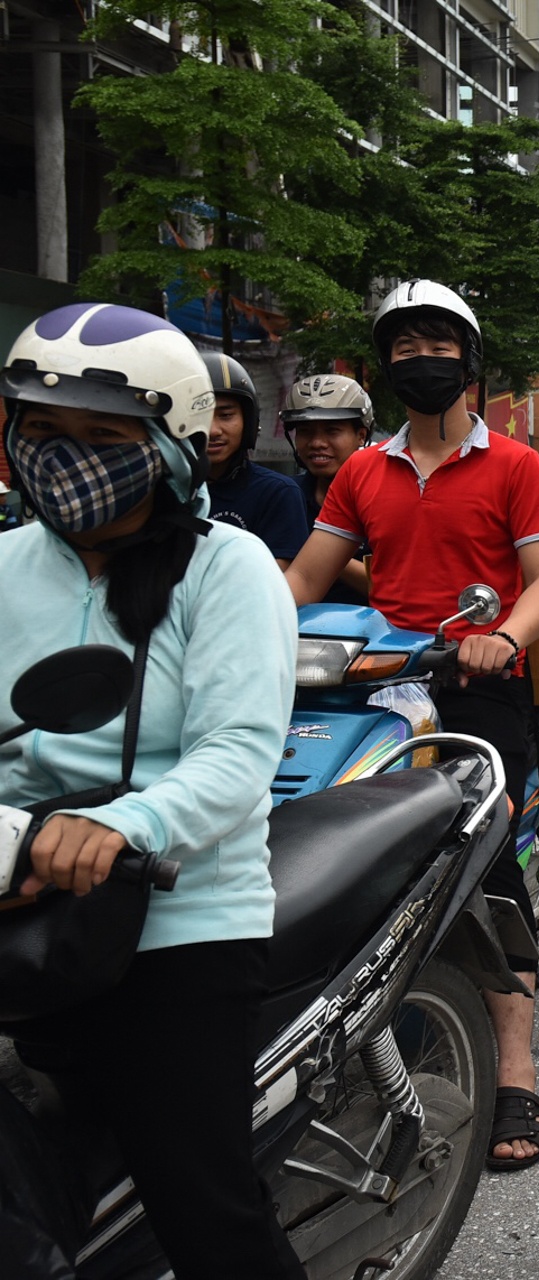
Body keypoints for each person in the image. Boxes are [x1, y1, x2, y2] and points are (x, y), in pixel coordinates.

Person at [0, 303, 304, 1277]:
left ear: (170, 444)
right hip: (19, 885)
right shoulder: (6, 566)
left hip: (179, 916)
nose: (67, 459)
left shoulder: (229, 568)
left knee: (206, 1209)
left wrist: (114, 824)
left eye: (101, 438)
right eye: (43, 433)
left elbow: (237, 751)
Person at [283, 280, 539, 1169]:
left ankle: (516, 1072)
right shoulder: (365, 469)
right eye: (403, 348)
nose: (421, 359)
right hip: (377, 682)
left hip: (475, 682)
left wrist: (502, 639)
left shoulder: (515, 465)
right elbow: (306, 578)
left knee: (482, 867)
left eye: (437, 343)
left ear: (468, 358)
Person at [201, 352, 307, 567]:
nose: (213, 430)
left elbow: (274, 583)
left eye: (226, 415)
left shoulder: (276, 493)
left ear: (248, 421)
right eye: (201, 415)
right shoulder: (164, 488)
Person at [284, 372, 375, 606]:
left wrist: (325, 552)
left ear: (361, 435)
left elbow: (390, 584)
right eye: (305, 431)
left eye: (332, 431)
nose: (317, 443)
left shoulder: (383, 497)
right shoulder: (282, 496)